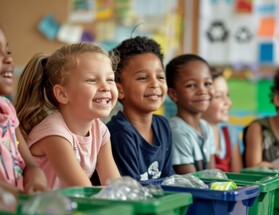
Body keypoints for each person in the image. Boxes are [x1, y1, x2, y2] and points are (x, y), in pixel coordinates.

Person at [15, 42, 121, 190]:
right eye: (91, 80)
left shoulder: (100, 131)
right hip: (43, 211)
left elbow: (115, 186)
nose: (105, 87)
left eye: (110, 79)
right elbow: (82, 191)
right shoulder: (53, 133)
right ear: (62, 94)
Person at [107, 36, 173, 181]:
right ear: (120, 90)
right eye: (143, 78)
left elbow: (170, 180)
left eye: (160, 77)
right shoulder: (120, 133)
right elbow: (132, 191)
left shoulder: (163, 125)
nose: (155, 84)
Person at [0, 26, 47, 194]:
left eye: (8, 51)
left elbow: (29, 164)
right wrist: (16, 197)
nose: (8, 59)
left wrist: (36, 180)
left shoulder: (7, 110)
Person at [166, 54, 216, 174]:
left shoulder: (206, 128)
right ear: (173, 94)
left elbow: (214, 175)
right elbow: (191, 183)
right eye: (191, 85)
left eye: (207, 84)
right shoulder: (177, 132)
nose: (202, 91)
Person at [202, 67, 242, 172]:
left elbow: (238, 177)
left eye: (227, 95)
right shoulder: (194, 136)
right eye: (219, 96)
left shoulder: (230, 134)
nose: (228, 103)